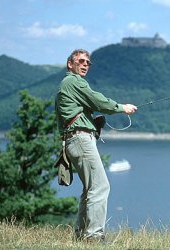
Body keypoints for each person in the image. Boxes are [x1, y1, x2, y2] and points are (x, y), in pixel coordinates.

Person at [55, 49, 137, 242]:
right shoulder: (73, 82)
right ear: (70, 64)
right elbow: (97, 99)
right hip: (80, 139)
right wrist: (121, 107)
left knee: (90, 189)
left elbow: (88, 104)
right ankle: (94, 236)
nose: (85, 65)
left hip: (75, 140)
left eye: (88, 63)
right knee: (101, 187)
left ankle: (81, 235)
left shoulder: (68, 85)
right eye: (81, 61)